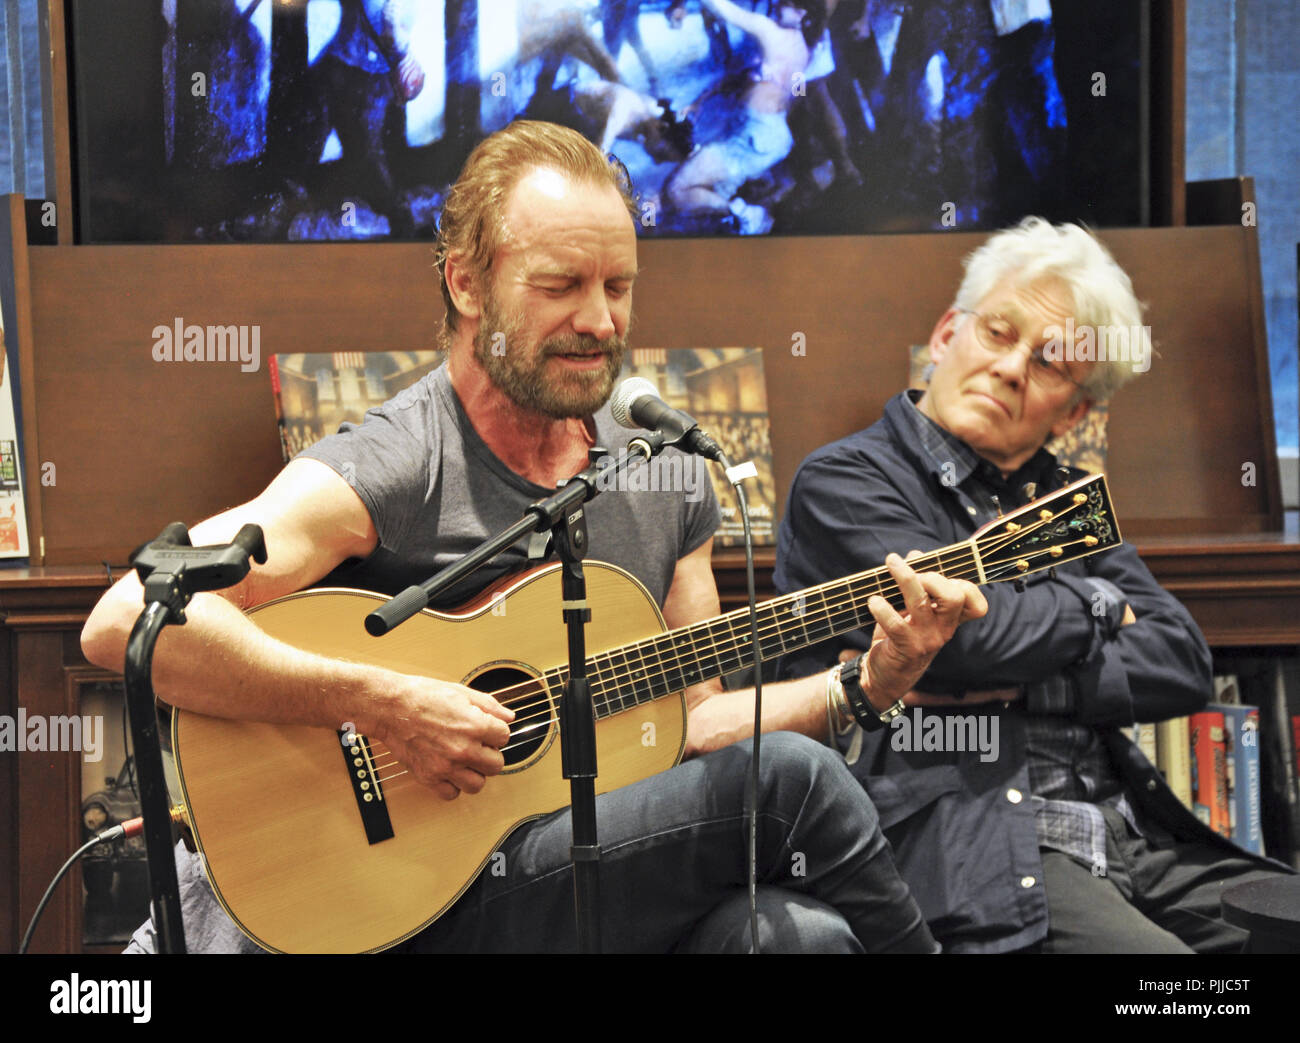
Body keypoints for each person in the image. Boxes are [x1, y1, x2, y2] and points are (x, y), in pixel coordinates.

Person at [80, 120, 986, 954]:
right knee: (790, 778)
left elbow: (698, 723)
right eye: (561, 286)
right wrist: (381, 701)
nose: (601, 320)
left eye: (618, 286)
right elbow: (127, 620)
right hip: (410, 889)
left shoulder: (661, 476)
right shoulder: (402, 459)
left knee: (798, 936)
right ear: (466, 283)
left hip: (579, 861)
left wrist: (868, 683)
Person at [762, 216, 1294, 953]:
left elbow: (1181, 659)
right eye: (998, 333)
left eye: (1049, 362)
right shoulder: (846, 479)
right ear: (948, 334)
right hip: (972, 846)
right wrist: (1100, 603)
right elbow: (963, 643)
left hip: (1125, 831)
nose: (1012, 368)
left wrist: (1035, 674)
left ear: (1074, 410)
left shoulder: (1067, 498)